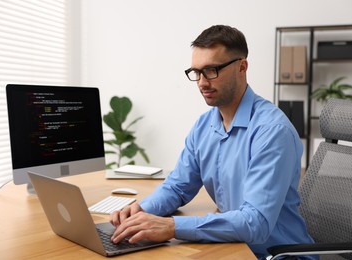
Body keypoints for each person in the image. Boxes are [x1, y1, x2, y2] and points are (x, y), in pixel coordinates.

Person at [110, 25, 315, 259]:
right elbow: (178, 186)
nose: (202, 82)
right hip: (234, 247)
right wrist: (141, 211)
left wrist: (171, 227)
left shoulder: (272, 131)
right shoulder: (204, 126)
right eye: (196, 72)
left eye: (211, 70)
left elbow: (255, 223)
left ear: (242, 67)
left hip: (276, 254)